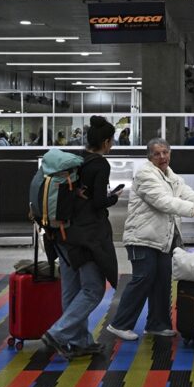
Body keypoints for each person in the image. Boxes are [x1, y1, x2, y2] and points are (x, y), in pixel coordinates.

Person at [107, 139, 194, 340]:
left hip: (163, 238)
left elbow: (190, 196)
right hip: (141, 238)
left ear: (170, 153)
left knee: (162, 281)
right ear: (149, 157)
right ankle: (119, 324)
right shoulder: (145, 175)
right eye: (157, 154)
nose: (162, 157)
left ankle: (157, 324)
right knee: (143, 279)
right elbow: (163, 202)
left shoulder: (172, 177)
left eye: (165, 153)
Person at [45, 116, 120, 357]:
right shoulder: (100, 164)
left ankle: (79, 342)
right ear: (106, 142)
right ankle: (58, 333)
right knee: (93, 289)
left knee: (72, 289)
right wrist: (113, 198)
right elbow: (98, 202)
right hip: (85, 236)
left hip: (61, 232)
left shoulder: (75, 159)